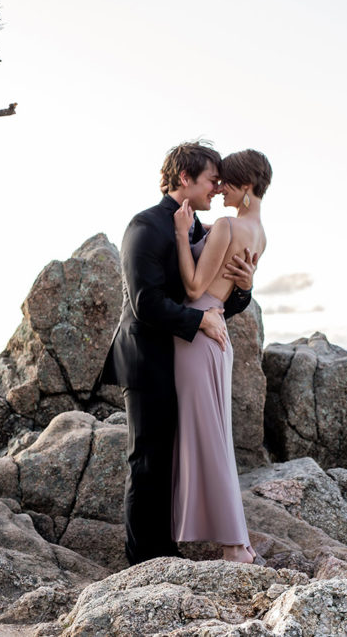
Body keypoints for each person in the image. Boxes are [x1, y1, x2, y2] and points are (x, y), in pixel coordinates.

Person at [99, 141, 258, 567]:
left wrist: (243, 287)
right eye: (210, 179)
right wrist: (198, 322)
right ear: (184, 179)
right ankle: (142, 563)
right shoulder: (145, 227)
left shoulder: (201, 230)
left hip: (182, 358)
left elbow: (215, 296)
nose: (216, 187)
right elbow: (145, 302)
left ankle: (166, 552)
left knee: (173, 460)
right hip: (147, 358)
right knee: (148, 460)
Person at [171, 149, 270, 564]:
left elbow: (194, 289)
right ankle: (239, 542)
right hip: (217, 337)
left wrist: (181, 237)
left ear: (245, 188)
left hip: (196, 334)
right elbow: (228, 285)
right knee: (217, 438)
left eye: (227, 181)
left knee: (208, 440)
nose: (220, 187)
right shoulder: (259, 233)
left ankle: (233, 546)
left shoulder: (228, 225)